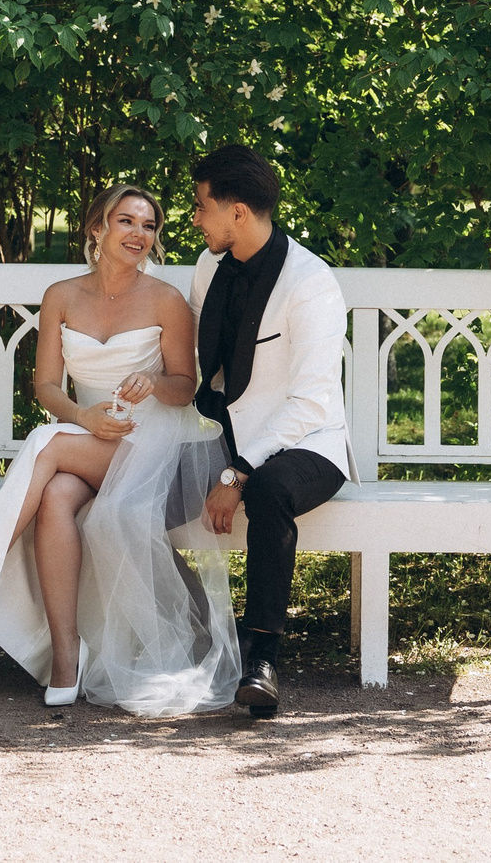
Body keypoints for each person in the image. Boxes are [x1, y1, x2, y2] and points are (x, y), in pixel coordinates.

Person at [0, 184, 240, 715]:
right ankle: (66, 659)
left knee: (45, 442)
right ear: (97, 228)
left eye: (149, 225)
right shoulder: (62, 295)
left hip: (158, 449)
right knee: (58, 495)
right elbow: (46, 388)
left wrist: (152, 383)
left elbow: (186, 386)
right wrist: (83, 416)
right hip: (89, 440)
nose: (138, 233)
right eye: (126, 221)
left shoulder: (165, 300)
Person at [188, 143, 351, 719]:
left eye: (202, 206)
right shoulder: (209, 266)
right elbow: (198, 358)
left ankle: (262, 658)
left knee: (268, 491)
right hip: (227, 436)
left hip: (310, 446)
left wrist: (237, 471)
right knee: (134, 489)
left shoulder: (311, 282)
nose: (194, 218)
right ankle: (168, 638)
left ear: (237, 211)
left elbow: (311, 401)